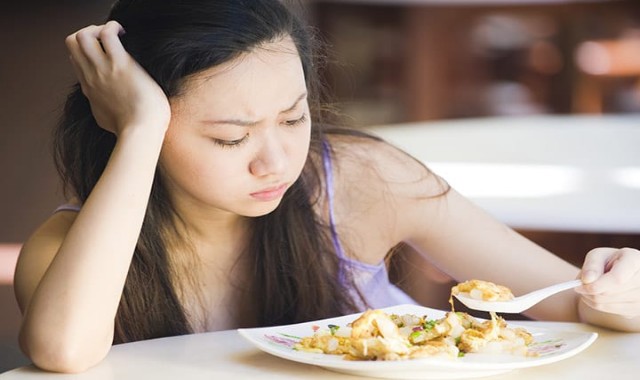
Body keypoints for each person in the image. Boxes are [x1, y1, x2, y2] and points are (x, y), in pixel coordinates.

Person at [13, 0, 640, 373]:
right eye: (231, 138)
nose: (277, 161)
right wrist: (140, 128)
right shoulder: (73, 247)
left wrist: (619, 292)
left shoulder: (360, 181)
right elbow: (63, 351)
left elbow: (574, 306)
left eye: (293, 117)